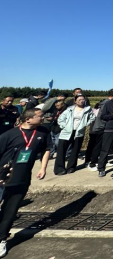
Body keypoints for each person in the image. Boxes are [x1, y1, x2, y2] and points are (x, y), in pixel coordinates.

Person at [0, 108, 51, 258]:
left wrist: (43, 168)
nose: (43, 118)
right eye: (40, 116)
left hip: (21, 179)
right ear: (28, 119)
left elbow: (47, 149)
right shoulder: (9, 135)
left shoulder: (43, 132)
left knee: (10, 211)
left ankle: (1, 239)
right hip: (3, 178)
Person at [54, 95, 96, 175]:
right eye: (79, 99)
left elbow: (92, 118)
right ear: (75, 101)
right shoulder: (69, 109)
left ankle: (71, 167)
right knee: (61, 150)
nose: (81, 101)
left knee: (75, 150)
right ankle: (59, 169)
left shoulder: (87, 109)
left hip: (79, 132)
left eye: (83, 99)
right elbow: (60, 119)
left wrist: (86, 124)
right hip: (67, 132)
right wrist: (64, 126)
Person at [86, 88, 113, 171]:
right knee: (98, 146)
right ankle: (93, 163)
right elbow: (102, 116)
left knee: (104, 146)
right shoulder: (107, 103)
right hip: (102, 127)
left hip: (103, 126)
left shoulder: (105, 102)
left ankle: (103, 161)